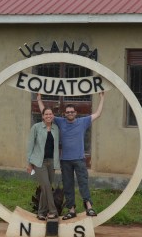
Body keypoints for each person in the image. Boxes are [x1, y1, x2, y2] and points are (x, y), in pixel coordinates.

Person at [37, 91, 105, 220]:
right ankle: (71, 210)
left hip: (79, 159)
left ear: (75, 113)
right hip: (65, 161)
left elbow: (97, 114)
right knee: (68, 185)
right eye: (67, 112)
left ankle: (89, 207)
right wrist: (39, 100)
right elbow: (46, 114)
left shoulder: (83, 121)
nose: (70, 113)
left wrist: (102, 98)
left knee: (83, 182)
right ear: (65, 114)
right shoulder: (60, 121)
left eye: (72, 112)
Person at [26, 107, 60, 221]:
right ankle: (53, 211)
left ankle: (41, 212)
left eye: (50, 114)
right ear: (43, 116)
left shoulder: (56, 128)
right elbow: (30, 145)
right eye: (46, 114)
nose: (48, 116)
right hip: (39, 162)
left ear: (53, 116)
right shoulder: (36, 127)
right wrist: (29, 163)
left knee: (46, 188)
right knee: (46, 186)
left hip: (52, 162)